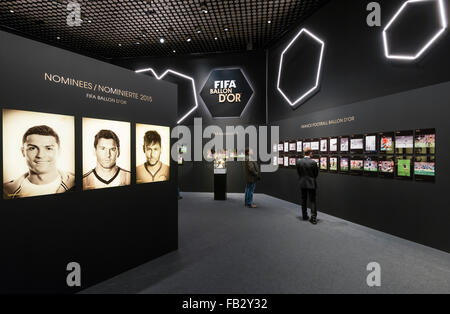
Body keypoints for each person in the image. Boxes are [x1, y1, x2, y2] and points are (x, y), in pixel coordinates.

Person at [3, 125, 75, 199]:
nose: (40, 155)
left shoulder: (78, 182)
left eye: (48, 148)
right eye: (32, 148)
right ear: (23, 152)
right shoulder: (5, 191)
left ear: (59, 151)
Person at [296, 147, 319, 224]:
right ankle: (313, 218)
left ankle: (304, 215)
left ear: (304, 153)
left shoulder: (299, 162)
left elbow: (299, 173)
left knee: (303, 199)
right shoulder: (313, 162)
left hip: (302, 183)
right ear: (310, 153)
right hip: (311, 183)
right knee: (312, 200)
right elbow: (316, 174)